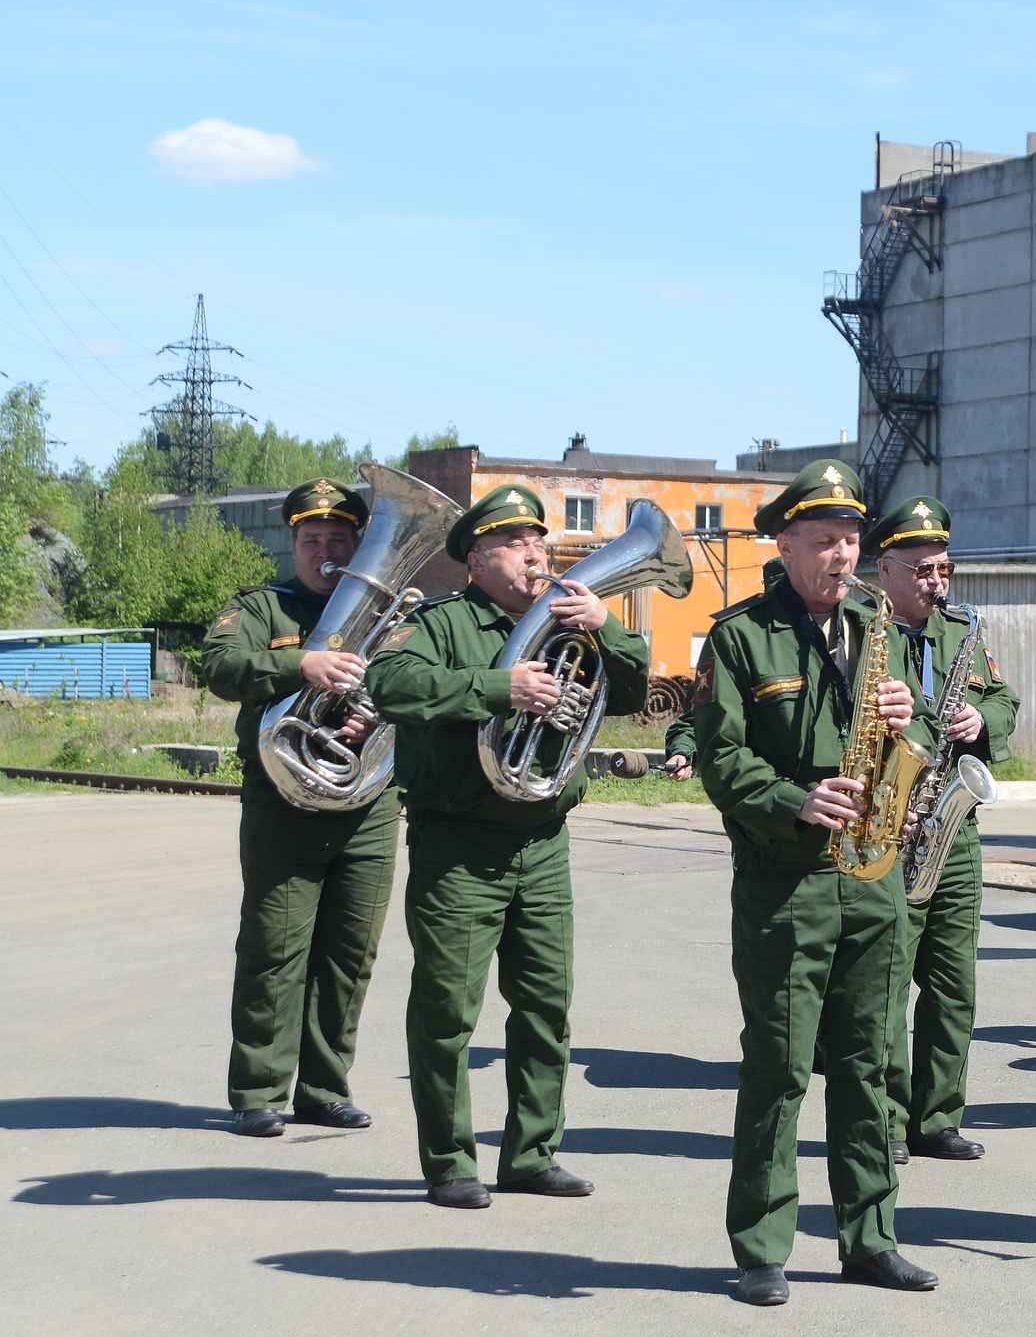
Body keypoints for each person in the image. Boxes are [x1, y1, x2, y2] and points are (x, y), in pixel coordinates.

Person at [366, 485, 651, 1209]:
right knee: (447, 1010)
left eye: (540, 541)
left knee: (546, 1005)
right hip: (460, 845)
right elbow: (390, 682)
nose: (537, 554)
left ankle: (531, 1152)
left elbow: (630, 690)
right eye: (518, 543)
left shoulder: (568, 620)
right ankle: (449, 1161)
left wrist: (606, 626)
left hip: (543, 837)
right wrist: (501, 686)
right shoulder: (443, 621)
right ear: (477, 556)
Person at [692, 461, 925, 1307]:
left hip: (873, 878)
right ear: (785, 542)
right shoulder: (740, 637)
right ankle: (761, 1243)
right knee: (781, 1067)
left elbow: (921, 738)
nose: (841, 556)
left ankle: (871, 1238)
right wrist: (799, 798)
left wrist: (910, 715)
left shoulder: (878, 626)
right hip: (785, 881)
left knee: (871, 1065)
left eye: (851, 540)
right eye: (824, 540)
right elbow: (721, 760)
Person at [201, 478, 398, 1138]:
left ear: (358, 544)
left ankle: (323, 1088)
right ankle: (257, 1090)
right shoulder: (265, 608)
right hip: (284, 798)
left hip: (366, 802)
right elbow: (221, 665)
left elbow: (415, 684)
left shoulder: (390, 615)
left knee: (350, 951)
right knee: (274, 946)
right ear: (293, 543)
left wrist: (376, 717)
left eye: (338, 539)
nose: (324, 550)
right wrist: (302, 666)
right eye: (311, 539)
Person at [872, 495, 1020, 1165]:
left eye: (945, 568)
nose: (938, 581)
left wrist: (981, 722)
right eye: (924, 568)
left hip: (952, 827)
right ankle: (887, 1119)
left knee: (953, 981)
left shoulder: (959, 631)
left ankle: (939, 1116)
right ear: (887, 569)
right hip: (890, 823)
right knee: (886, 978)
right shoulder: (860, 630)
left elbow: (1001, 696)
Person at [664, 559, 786, 782]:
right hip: (766, 789)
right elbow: (700, 718)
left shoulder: (853, 629)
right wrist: (683, 751)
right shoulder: (741, 640)